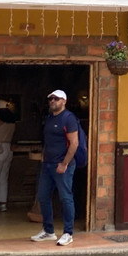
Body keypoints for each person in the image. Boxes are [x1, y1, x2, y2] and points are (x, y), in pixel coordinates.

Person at [31, 89, 79, 246]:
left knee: (65, 197)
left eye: (56, 99)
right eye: (50, 99)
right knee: (43, 196)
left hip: (62, 165)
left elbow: (74, 143)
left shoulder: (68, 118)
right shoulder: (50, 118)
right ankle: (48, 230)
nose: (53, 101)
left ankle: (68, 233)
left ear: (64, 101)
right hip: (48, 164)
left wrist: (64, 163)